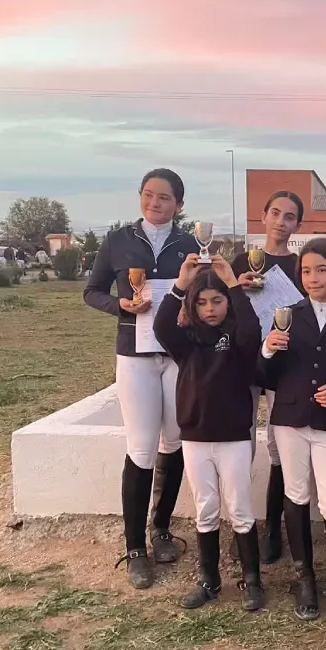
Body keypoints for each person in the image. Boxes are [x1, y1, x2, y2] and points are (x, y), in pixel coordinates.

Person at [83, 168, 199, 589]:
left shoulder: (189, 245)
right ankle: (135, 548)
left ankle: (162, 528)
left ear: (179, 205)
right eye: (149, 195)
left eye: (165, 198)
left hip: (176, 355)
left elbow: (202, 296)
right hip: (135, 355)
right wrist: (120, 307)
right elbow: (91, 291)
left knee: (176, 441)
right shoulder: (117, 241)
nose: (155, 203)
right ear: (140, 197)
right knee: (141, 447)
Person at [154, 253, 264, 611]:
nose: (210, 309)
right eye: (202, 303)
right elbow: (161, 327)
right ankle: (209, 579)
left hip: (232, 435)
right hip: (196, 437)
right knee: (206, 508)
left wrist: (232, 283)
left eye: (217, 301)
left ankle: (251, 581)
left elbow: (252, 332)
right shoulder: (187, 340)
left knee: (240, 509)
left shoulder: (236, 337)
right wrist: (181, 283)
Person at [261, 238, 326, 620]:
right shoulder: (285, 314)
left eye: (321, 269)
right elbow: (266, 375)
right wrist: (268, 349)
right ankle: (305, 578)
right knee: (296, 495)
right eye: (306, 270)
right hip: (290, 419)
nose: (313, 277)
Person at [231, 190, 303, 564]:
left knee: (278, 446)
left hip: (280, 362)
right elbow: (223, 304)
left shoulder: (299, 264)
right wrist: (236, 288)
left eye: (289, 216)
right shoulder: (242, 259)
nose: (280, 221)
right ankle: (241, 527)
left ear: (297, 225)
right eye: (275, 212)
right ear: (263, 215)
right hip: (246, 357)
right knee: (242, 443)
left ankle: (273, 528)